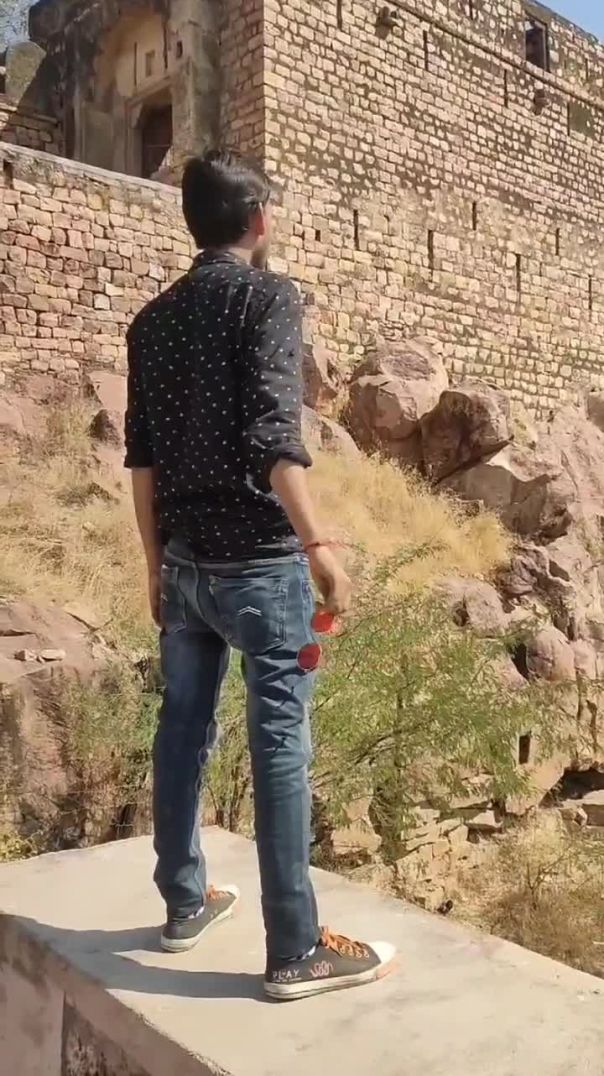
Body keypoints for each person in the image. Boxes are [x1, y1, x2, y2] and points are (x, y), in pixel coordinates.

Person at [124, 149, 395, 1001]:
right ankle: (295, 951)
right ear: (260, 220)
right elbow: (276, 437)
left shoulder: (151, 321)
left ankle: (184, 903)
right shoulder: (267, 298)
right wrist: (321, 549)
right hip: (261, 567)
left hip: (184, 566)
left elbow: (141, 461)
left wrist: (154, 564)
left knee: (182, 730)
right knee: (279, 742)